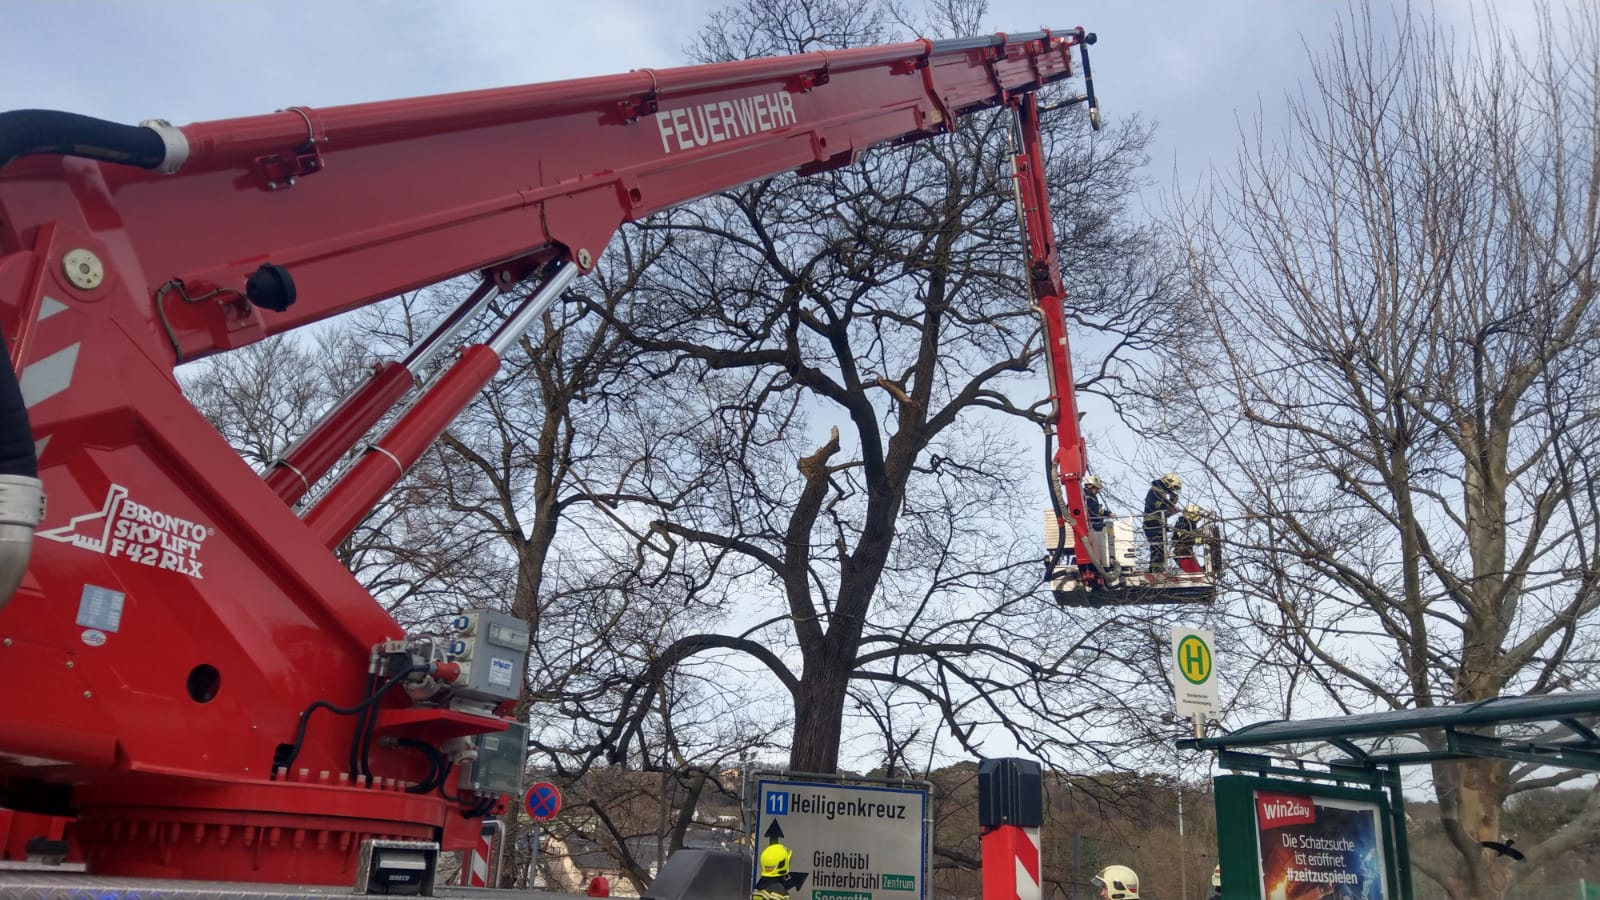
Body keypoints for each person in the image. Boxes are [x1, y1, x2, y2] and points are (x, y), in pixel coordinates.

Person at [1142, 473, 1181, 572]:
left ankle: (1158, 568)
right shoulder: (1155, 491)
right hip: (1152, 523)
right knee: (1158, 547)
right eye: (1173, 487)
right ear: (1169, 483)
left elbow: (1163, 511)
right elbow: (1155, 506)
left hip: (1157, 523)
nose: (1173, 489)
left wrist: (1171, 502)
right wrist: (1170, 505)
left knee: (1160, 547)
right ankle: (1155, 569)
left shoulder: (1160, 491)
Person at [1173, 503, 1208, 573]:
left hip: (1186, 554)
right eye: (1196, 514)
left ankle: (1208, 568)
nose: (1198, 518)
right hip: (1183, 554)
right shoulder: (1183, 524)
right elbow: (1184, 539)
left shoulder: (1187, 524)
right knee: (1196, 574)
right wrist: (1199, 539)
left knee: (1199, 572)